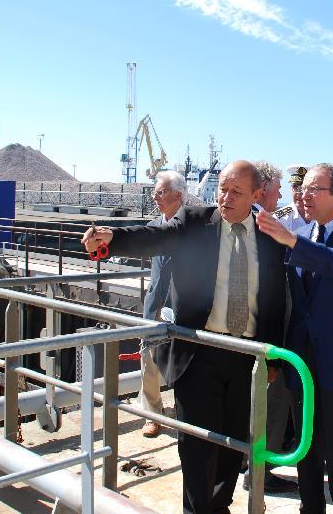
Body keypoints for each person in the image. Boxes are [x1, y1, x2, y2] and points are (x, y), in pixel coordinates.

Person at [82, 160, 288, 514]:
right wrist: (113, 238)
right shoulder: (195, 221)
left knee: (233, 443)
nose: (226, 197)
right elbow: (154, 238)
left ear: (257, 195)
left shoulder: (270, 235)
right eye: (223, 189)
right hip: (199, 353)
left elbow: (274, 300)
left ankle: (219, 507)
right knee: (196, 448)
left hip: (245, 357)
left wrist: (274, 358)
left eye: (236, 192)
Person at [255, 163, 333, 514]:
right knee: (305, 445)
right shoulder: (302, 233)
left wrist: (291, 240)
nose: (303, 195)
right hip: (301, 359)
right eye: (303, 188)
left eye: (314, 189)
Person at [247, 160, 298, 493]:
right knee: (268, 407)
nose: (280, 196)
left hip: (253, 335)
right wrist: (276, 356)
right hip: (266, 338)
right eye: (278, 189)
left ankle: (250, 466)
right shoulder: (264, 227)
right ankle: (259, 475)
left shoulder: (256, 221)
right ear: (262, 189)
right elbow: (270, 294)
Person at [139, 170, 186, 439]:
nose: (155, 198)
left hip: (180, 308)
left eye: (160, 193)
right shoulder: (154, 226)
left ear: (177, 195)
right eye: (155, 193)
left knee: (182, 363)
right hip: (155, 305)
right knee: (148, 360)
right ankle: (152, 415)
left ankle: (184, 414)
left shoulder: (191, 228)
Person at [280, 165, 314, 235]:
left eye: (303, 188)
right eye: (295, 187)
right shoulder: (281, 218)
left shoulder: (323, 214)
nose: (299, 193)